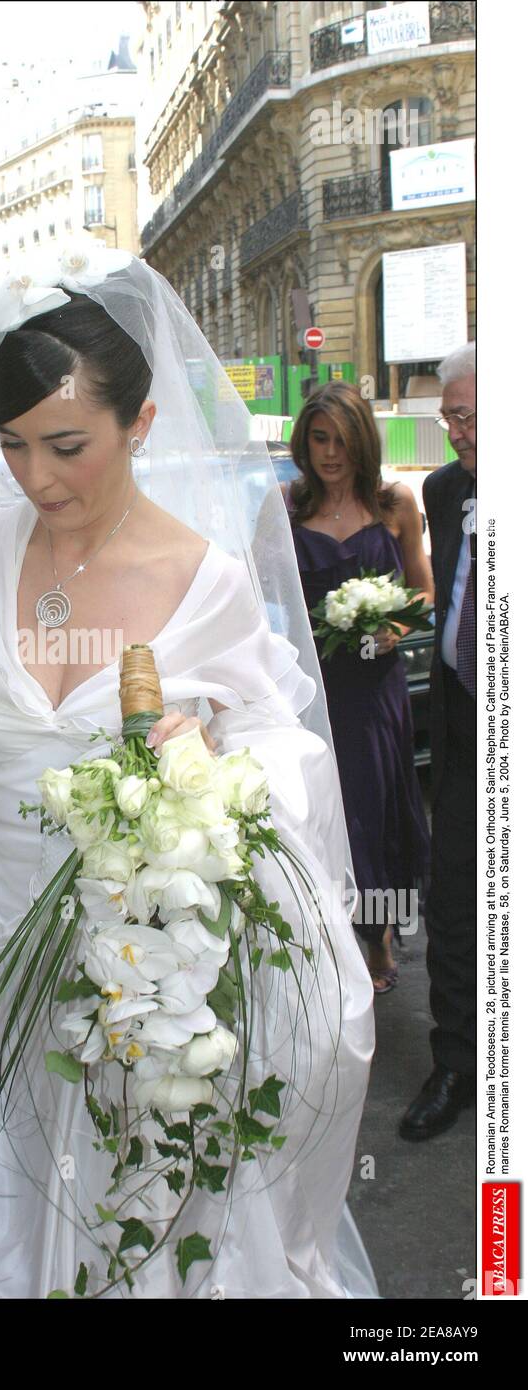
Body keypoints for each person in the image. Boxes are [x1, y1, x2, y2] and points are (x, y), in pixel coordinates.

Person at [0, 246, 376, 1298]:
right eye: (19, 446)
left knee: (127, 1231)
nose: (37, 478)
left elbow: (280, 754)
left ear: (142, 425)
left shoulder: (204, 584)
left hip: (131, 979)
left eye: (67, 445)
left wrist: (207, 767)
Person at [284, 383, 433, 994]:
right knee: (321, 813)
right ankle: (332, 933)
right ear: (305, 440)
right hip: (312, 690)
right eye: (320, 438)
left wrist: (395, 627)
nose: (331, 452)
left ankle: (379, 935)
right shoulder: (287, 507)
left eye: (343, 439)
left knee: (375, 811)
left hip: (374, 693)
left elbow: (425, 590)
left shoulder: (394, 503)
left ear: (362, 441)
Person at [400, 343, 476, 1141]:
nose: (452, 431)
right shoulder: (443, 487)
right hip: (460, 734)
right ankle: (455, 1063)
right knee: (452, 908)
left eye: (465, 415)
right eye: (447, 415)